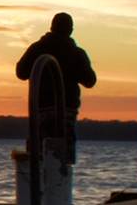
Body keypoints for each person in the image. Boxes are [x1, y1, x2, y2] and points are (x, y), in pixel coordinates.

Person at [15, 11, 97, 156]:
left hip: (41, 109)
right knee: (64, 156)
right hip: (66, 111)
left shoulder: (37, 48)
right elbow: (90, 81)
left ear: (52, 27)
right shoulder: (76, 53)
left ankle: (39, 173)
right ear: (71, 30)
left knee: (38, 153)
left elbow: (21, 72)